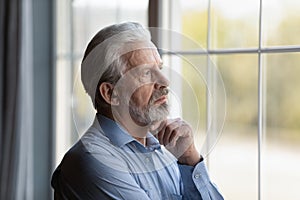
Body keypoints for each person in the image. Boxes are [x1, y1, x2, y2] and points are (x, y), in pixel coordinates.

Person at [51, 22, 224, 200]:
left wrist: (189, 159)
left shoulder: (164, 153)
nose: (165, 81)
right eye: (146, 73)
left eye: (159, 68)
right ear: (110, 93)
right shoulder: (92, 160)